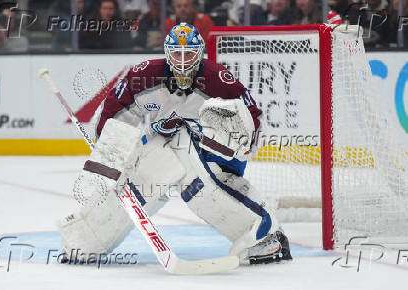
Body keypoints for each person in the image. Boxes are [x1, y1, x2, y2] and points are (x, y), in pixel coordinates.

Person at [58, 23, 292, 266]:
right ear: (167, 53)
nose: (182, 61)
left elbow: (250, 119)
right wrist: (115, 153)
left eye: (188, 54)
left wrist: (225, 149)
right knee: (141, 183)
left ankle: (265, 237)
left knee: (198, 187)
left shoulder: (218, 80)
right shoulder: (143, 75)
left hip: (212, 153)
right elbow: (111, 117)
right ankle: (85, 241)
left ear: (200, 53)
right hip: (166, 144)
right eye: (177, 54)